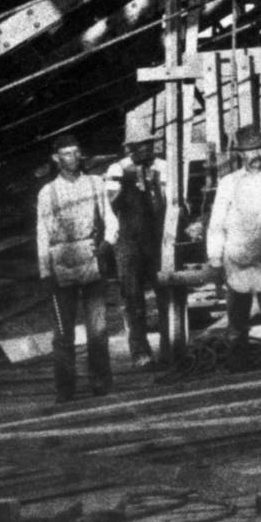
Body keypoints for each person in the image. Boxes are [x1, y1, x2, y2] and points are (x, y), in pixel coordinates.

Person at [33, 139, 116, 399]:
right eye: (66, 154)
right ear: (56, 159)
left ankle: (101, 384)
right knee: (62, 333)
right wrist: (45, 272)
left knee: (98, 331)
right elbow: (42, 234)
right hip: (61, 263)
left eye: (76, 153)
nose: (72, 158)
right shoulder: (48, 192)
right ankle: (65, 389)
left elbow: (110, 218)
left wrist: (107, 244)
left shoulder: (95, 183)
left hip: (91, 258)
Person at [206, 123, 261, 357]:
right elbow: (216, 223)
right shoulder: (229, 183)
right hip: (237, 262)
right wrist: (215, 258)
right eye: (249, 150)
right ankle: (238, 369)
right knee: (236, 325)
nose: (255, 155)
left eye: (259, 149)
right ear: (240, 154)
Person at [107, 141, 169, 366]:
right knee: (132, 298)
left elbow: (170, 199)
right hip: (128, 240)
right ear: (129, 148)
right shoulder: (117, 169)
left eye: (148, 144)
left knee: (165, 294)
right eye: (138, 146)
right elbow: (110, 207)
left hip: (157, 238)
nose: (145, 149)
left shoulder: (163, 166)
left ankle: (169, 347)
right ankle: (140, 352)